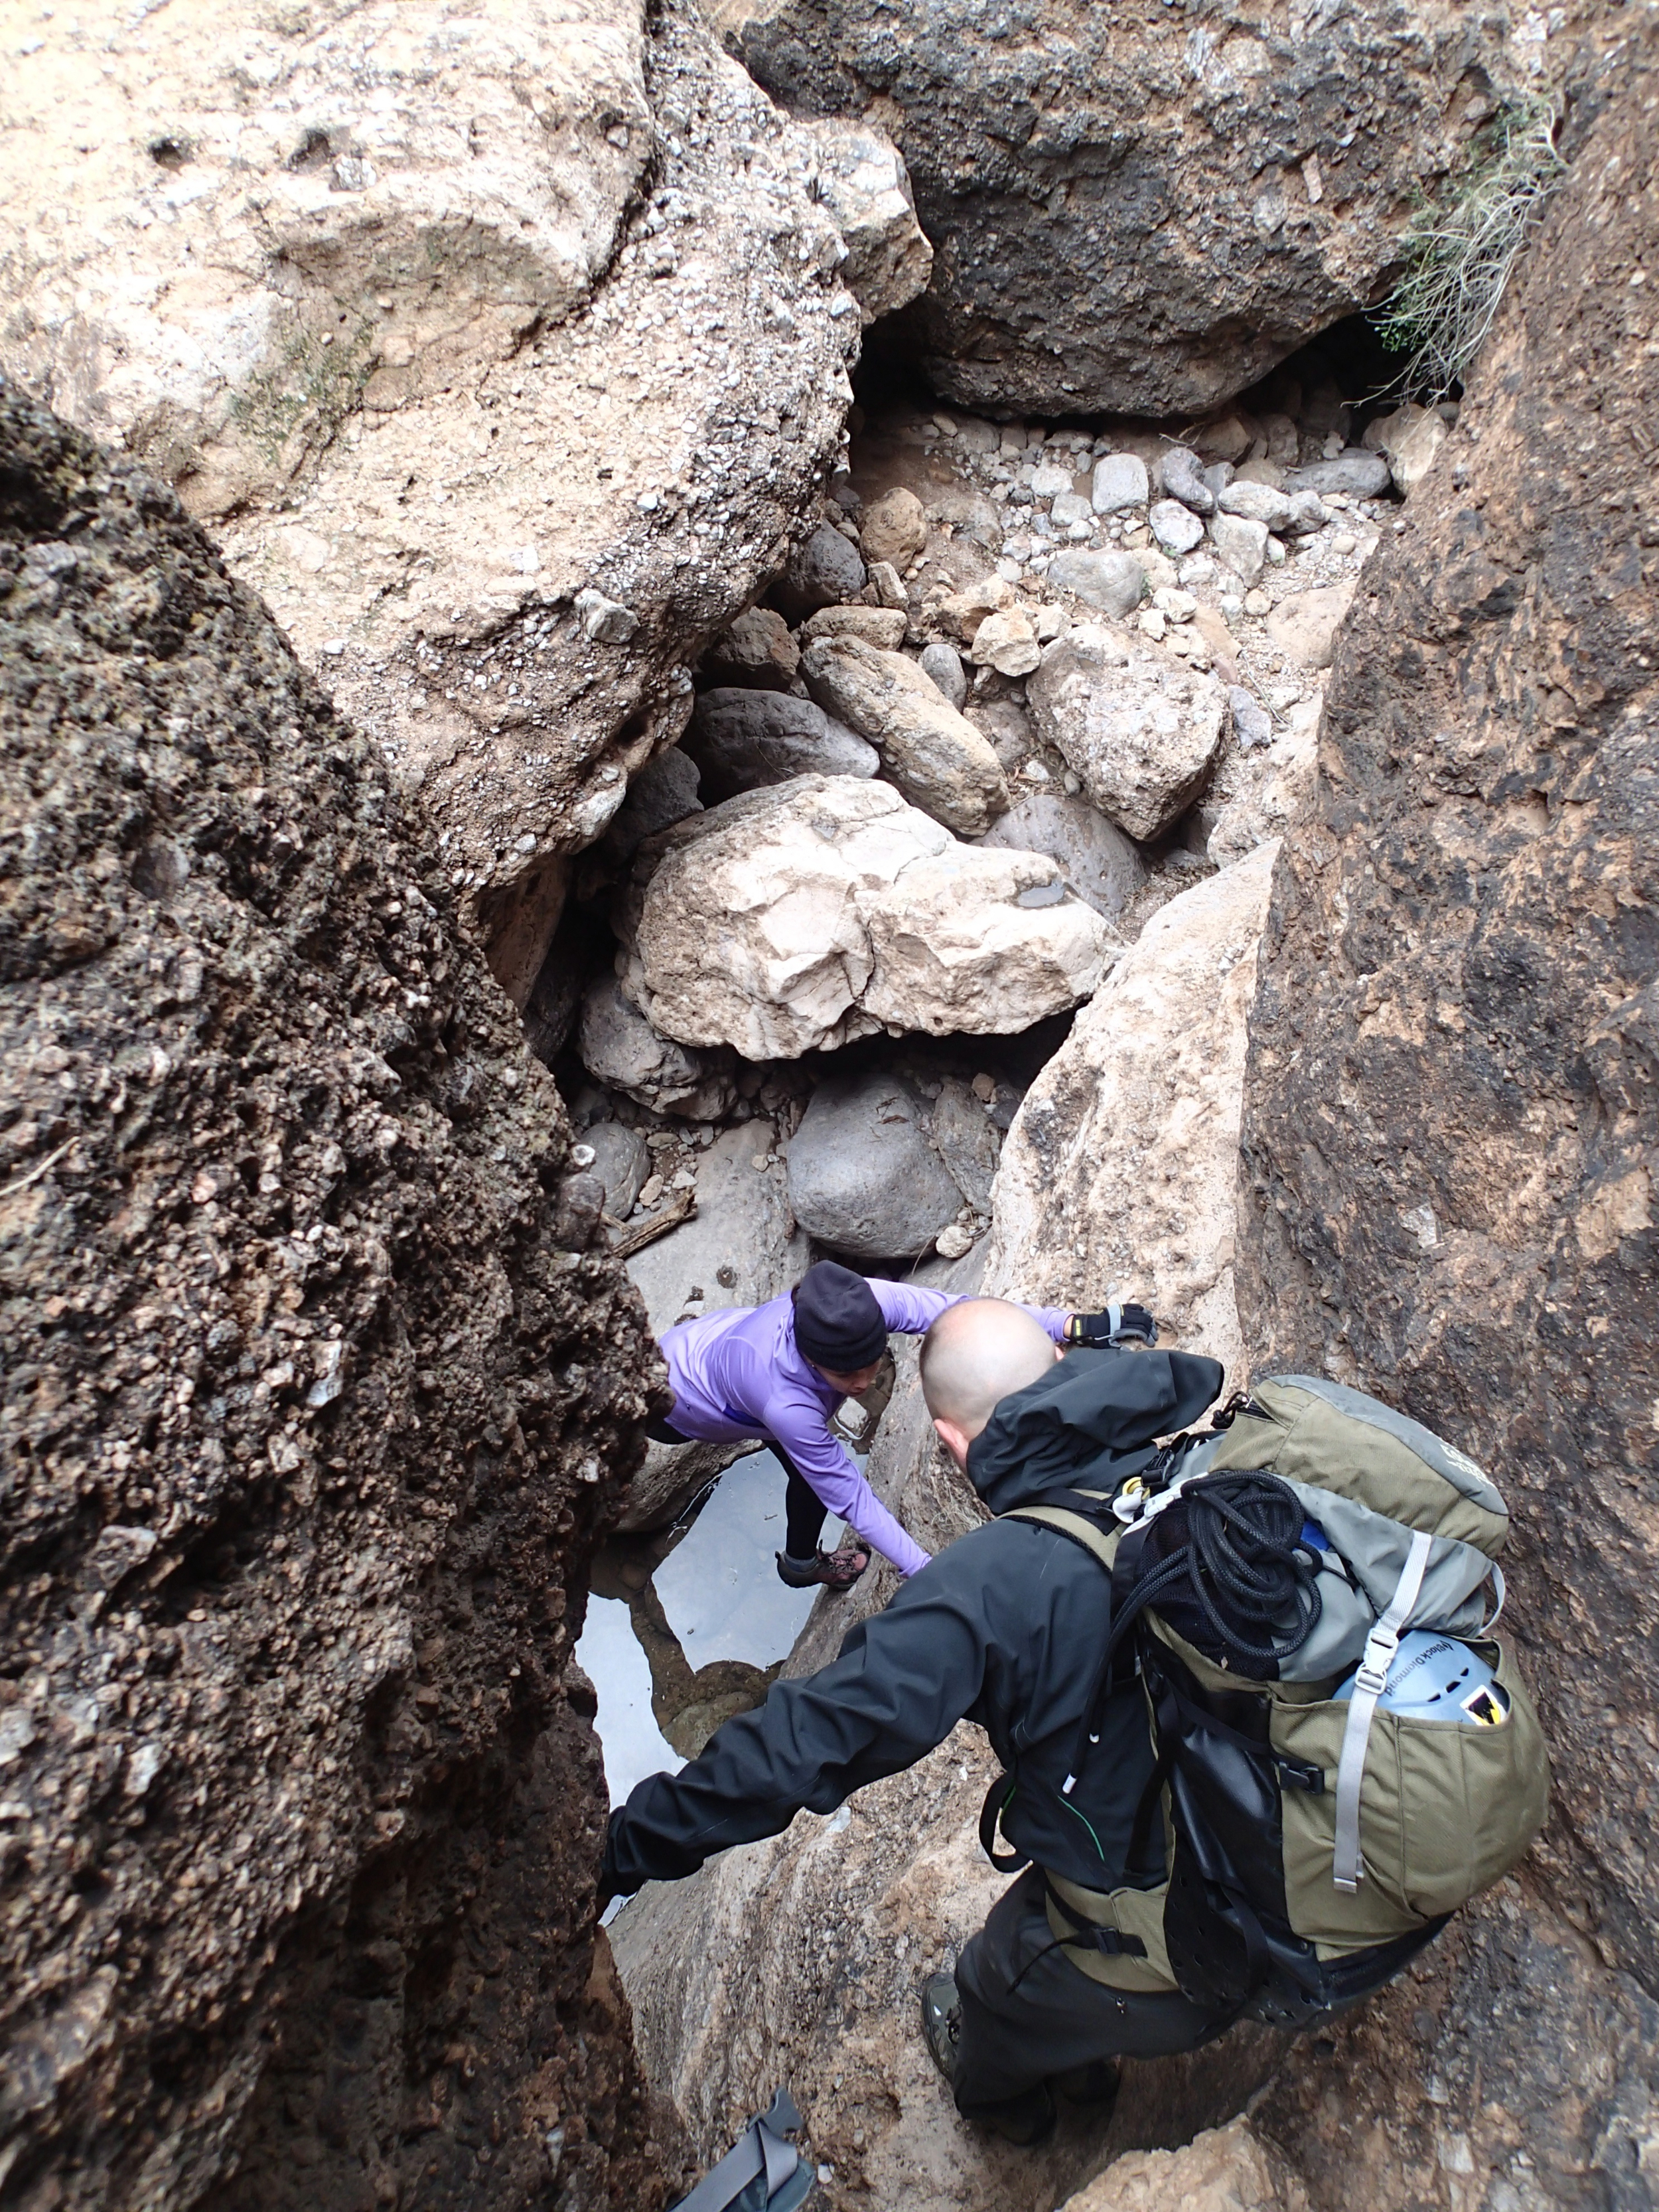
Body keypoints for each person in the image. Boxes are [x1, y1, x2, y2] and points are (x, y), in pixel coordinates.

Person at [603, 1299, 1243, 2145]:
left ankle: (1022, 2102)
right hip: (1295, 1792)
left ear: (949, 1441)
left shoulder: (993, 1588)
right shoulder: (1198, 1451)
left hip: (1222, 1929)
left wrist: (619, 1851)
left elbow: (804, 1742)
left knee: (989, 1988)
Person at [648, 1259, 1152, 1591]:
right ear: (811, 1361)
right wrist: (926, 1571)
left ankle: (798, 1565)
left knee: (806, 1470)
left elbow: (960, 1313)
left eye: (874, 1362)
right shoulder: (786, 1405)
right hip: (672, 1402)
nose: (865, 1382)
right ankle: (802, 1566)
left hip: (703, 1343)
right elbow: (851, 1495)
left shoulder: (856, 1301)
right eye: (848, 1375)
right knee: (812, 1474)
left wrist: (1069, 1324)